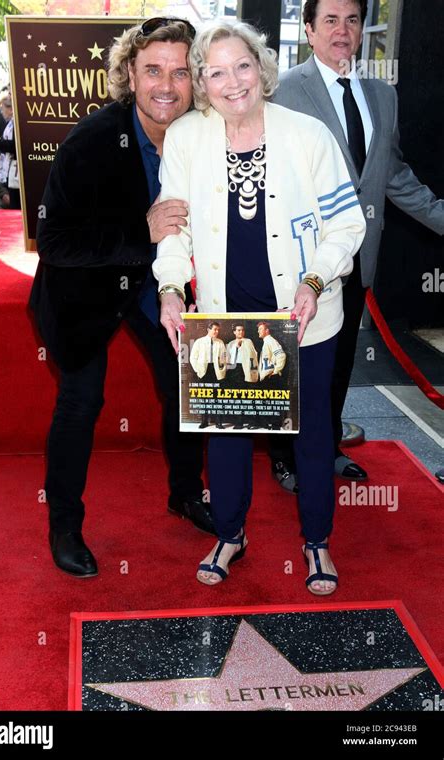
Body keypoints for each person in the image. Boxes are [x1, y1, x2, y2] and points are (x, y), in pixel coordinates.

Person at [154, 20, 366, 594]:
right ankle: (230, 533)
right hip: (222, 317)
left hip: (305, 316)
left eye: (242, 66)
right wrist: (171, 287)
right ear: (201, 80)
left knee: (312, 434)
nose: (232, 82)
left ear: (262, 67)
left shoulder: (309, 134)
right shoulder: (185, 138)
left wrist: (316, 280)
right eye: (216, 71)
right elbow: (173, 230)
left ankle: (317, 542)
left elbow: (347, 223)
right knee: (223, 434)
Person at [29, 18, 215, 579]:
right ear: (130, 74)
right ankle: (64, 523)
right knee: (81, 402)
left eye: (181, 71)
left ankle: (186, 493)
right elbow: (56, 242)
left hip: (162, 283)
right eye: (153, 69)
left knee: (187, 386)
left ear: (197, 79)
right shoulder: (90, 141)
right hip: (83, 292)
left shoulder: (204, 134)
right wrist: (143, 232)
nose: (167, 84)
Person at [272, 0, 444, 489]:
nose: (342, 31)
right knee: (294, 366)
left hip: (356, 261)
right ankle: (285, 458)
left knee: (339, 363)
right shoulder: (281, 92)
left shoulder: (381, 95)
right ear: (309, 29)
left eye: (352, 20)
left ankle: (324, 449)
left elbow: (394, 177)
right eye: (330, 20)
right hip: (299, 263)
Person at [190, 321, 227, 429]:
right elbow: (193, 357)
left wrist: (222, 370)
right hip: (204, 371)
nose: (216, 331)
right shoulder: (199, 342)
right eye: (214, 329)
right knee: (204, 397)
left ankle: (218, 422)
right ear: (208, 329)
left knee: (217, 398)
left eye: (218, 330)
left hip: (216, 372)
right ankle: (204, 421)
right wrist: (198, 370)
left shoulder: (220, 342)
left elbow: (224, 358)